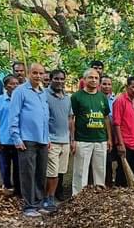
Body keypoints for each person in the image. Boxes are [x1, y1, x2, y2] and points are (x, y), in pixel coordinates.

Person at [10, 63, 50, 217]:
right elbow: (14, 115)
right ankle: (29, 206)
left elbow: (45, 117)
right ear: (28, 73)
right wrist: (16, 137)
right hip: (26, 138)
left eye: (40, 73)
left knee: (41, 172)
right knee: (28, 172)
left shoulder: (43, 92)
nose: (38, 76)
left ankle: (39, 203)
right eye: (35, 73)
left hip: (42, 139)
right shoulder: (20, 91)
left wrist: (47, 138)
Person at [71, 68, 112, 193]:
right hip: (83, 139)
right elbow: (72, 119)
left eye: (96, 78)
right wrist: (72, 139)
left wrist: (109, 138)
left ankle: (98, 197)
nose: (94, 80)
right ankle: (77, 198)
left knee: (100, 170)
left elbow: (106, 118)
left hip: (100, 139)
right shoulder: (76, 97)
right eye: (91, 77)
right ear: (84, 80)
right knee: (80, 172)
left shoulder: (102, 97)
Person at [43, 69, 73, 210]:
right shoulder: (44, 95)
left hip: (65, 140)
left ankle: (52, 196)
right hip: (52, 140)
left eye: (62, 79)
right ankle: (48, 198)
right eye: (56, 79)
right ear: (50, 79)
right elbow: (42, 118)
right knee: (52, 172)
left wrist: (72, 139)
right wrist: (45, 137)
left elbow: (70, 118)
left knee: (60, 172)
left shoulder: (67, 97)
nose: (60, 81)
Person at [0, 75, 21, 195]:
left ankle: (18, 191)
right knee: (5, 167)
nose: (14, 86)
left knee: (18, 168)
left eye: (16, 84)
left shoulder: (21, 99)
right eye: (11, 84)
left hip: (18, 140)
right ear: (5, 86)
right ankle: (7, 188)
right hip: (3, 139)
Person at [113, 77, 134, 187]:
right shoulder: (120, 101)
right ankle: (119, 193)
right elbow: (116, 123)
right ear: (127, 87)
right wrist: (120, 144)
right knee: (122, 171)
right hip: (125, 143)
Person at [99, 75, 118, 186]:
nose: (107, 86)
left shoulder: (116, 100)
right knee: (103, 161)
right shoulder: (96, 98)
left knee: (111, 160)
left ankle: (110, 183)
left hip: (114, 134)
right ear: (100, 85)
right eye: (104, 84)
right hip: (100, 133)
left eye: (109, 84)